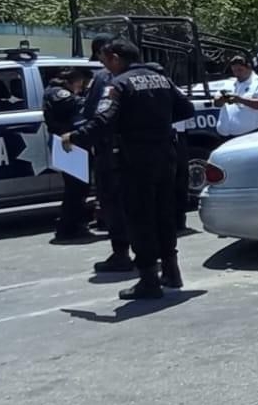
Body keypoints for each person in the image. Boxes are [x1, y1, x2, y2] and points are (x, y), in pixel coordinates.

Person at [63, 39, 196, 300]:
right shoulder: (161, 79)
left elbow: (103, 120)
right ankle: (171, 270)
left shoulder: (118, 84)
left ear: (115, 57)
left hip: (136, 158)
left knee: (140, 218)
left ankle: (148, 280)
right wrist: (156, 122)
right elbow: (186, 108)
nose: (103, 66)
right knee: (164, 214)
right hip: (165, 154)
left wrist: (75, 138)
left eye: (104, 60)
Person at [81, 34, 131, 273]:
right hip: (142, 151)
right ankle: (160, 263)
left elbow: (93, 112)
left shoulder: (103, 78)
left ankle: (122, 254)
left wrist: (81, 137)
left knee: (113, 203)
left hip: (110, 151)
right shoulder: (153, 75)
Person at [43, 68, 91, 242]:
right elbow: (77, 104)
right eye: (80, 83)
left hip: (70, 142)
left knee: (78, 187)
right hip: (67, 143)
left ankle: (75, 223)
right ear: (73, 81)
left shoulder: (57, 90)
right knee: (75, 188)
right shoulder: (59, 93)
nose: (81, 86)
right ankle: (67, 227)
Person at [215, 55, 258, 138]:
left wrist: (240, 100)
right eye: (234, 70)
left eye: (240, 70)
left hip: (252, 135)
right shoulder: (228, 83)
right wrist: (221, 99)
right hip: (226, 136)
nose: (237, 73)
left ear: (249, 68)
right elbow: (216, 103)